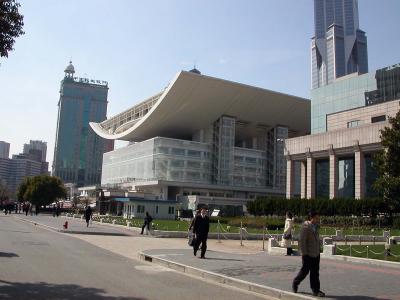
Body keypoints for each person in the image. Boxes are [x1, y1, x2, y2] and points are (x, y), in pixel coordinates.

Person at [292, 211, 325, 297]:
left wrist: (319, 250)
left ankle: (316, 290)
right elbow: (302, 241)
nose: (318, 220)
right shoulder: (306, 227)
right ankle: (296, 282)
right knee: (304, 271)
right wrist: (304, 253)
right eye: (316, 218)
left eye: (319, 218)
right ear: (311, 218)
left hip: (316, 254)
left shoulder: (316, 227)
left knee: (315, 273)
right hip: (308, 254)